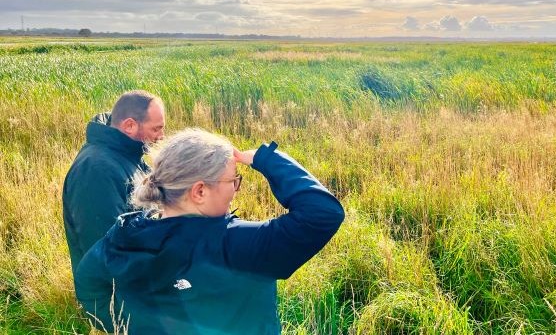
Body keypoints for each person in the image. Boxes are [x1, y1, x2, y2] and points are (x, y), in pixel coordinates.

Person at [74, 129, 345, 334]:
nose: (236, 189)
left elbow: (88, 287)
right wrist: (266, 159)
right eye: (233, 180)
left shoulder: (124, 235)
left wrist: (129, 326)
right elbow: (323, 213)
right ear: (200, 191)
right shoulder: (236, 244)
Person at [63, 90, 165, 276]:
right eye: (156, 129)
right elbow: (104, 248)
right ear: (129, 126)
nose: (161, 136)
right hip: (115, 296)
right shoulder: (95, 170)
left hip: (139, 279)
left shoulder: (129, 154)